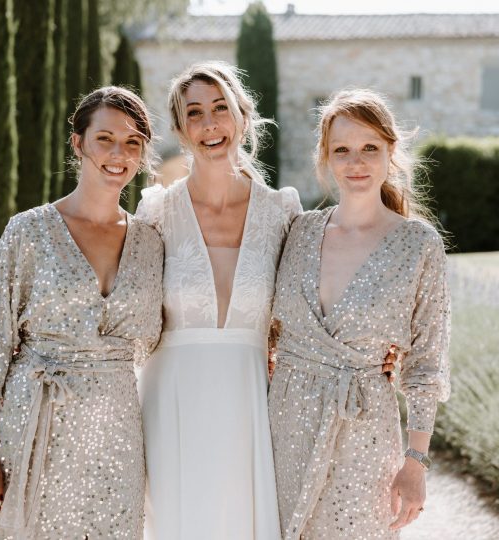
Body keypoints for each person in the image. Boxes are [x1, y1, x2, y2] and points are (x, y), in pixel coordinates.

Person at [0, 87, 163, 540]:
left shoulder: (151, 242)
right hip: (32, 425)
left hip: (116, 438)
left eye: (133, 143)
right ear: (78, 143)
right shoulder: (28, 231)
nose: (119, 154)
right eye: (105, 139)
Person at [268, 88, 451, 539]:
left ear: (392, 151)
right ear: (325, 158)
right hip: (284, 428)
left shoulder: (418, 245)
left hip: (365, 434)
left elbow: (427, 363)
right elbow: (267, 324)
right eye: (342, 150)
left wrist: (416, 461)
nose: (357, 162)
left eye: (370, 147)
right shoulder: (298, 231)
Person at [134, 61, 301, 540]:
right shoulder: (156, 210)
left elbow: (313, 301)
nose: (210, 125)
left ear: (242, 117)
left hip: (251, 400)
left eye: (220, 109)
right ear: (182, 130)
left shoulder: (282, 211)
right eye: (195, 113)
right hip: (171, 400)